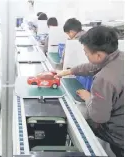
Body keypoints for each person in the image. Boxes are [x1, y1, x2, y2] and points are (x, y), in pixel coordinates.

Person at [47, 26, 124, 157]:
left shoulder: (103, 79)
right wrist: (66, 72)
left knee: (77, 119)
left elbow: (99, 117)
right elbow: (92, 66)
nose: (86, 55)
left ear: (99, 55)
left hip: (118, 134)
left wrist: (89, 97)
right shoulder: (118, 57)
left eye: (86, 53)